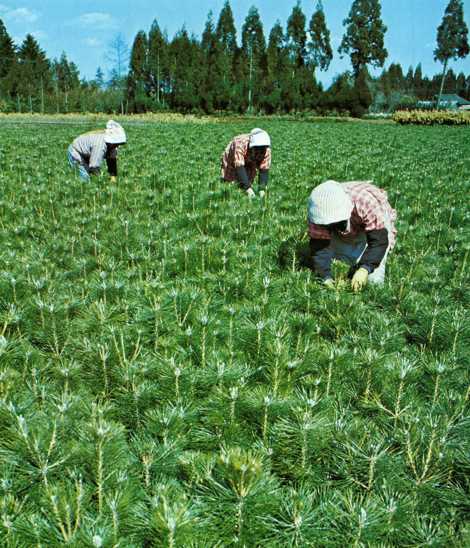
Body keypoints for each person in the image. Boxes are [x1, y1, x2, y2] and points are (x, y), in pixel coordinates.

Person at [307, 180, 397, 291]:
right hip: (349, 223)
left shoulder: (365, 202)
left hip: (375, 223)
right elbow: (319, 246)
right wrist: (326, 277)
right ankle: (350, 265)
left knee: (373, 282)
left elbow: (379, 241)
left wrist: (365, 268)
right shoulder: (318, 211)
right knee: (338, 268)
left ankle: (363, 266)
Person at [220, 128, 271, 198]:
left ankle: (244, 194)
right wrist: (248, 189)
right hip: (232, 157)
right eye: (257, 149)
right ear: (252, 146)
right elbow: (239, 167)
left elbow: (264, 170)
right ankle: (229, 195)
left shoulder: (266, 150)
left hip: (251, 160)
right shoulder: (240, 144)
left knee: (248, 179)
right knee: (230, 181)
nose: (259, 152)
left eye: (262, 150)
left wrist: (262, 191)